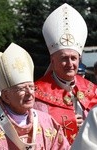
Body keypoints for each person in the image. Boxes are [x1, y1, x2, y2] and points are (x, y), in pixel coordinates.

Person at [0, 43, 70, 149]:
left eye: (31, 87)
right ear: (5, 96)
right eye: (22, 89)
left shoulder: (47, 122)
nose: (29, 93)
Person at [34, 3, 97, 145]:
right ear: (52, 60)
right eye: (64, 58)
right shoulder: (37, 94)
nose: (70, 64)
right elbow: (33, 130)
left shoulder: (92, 90)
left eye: (73, 58)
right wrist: (66, 125)